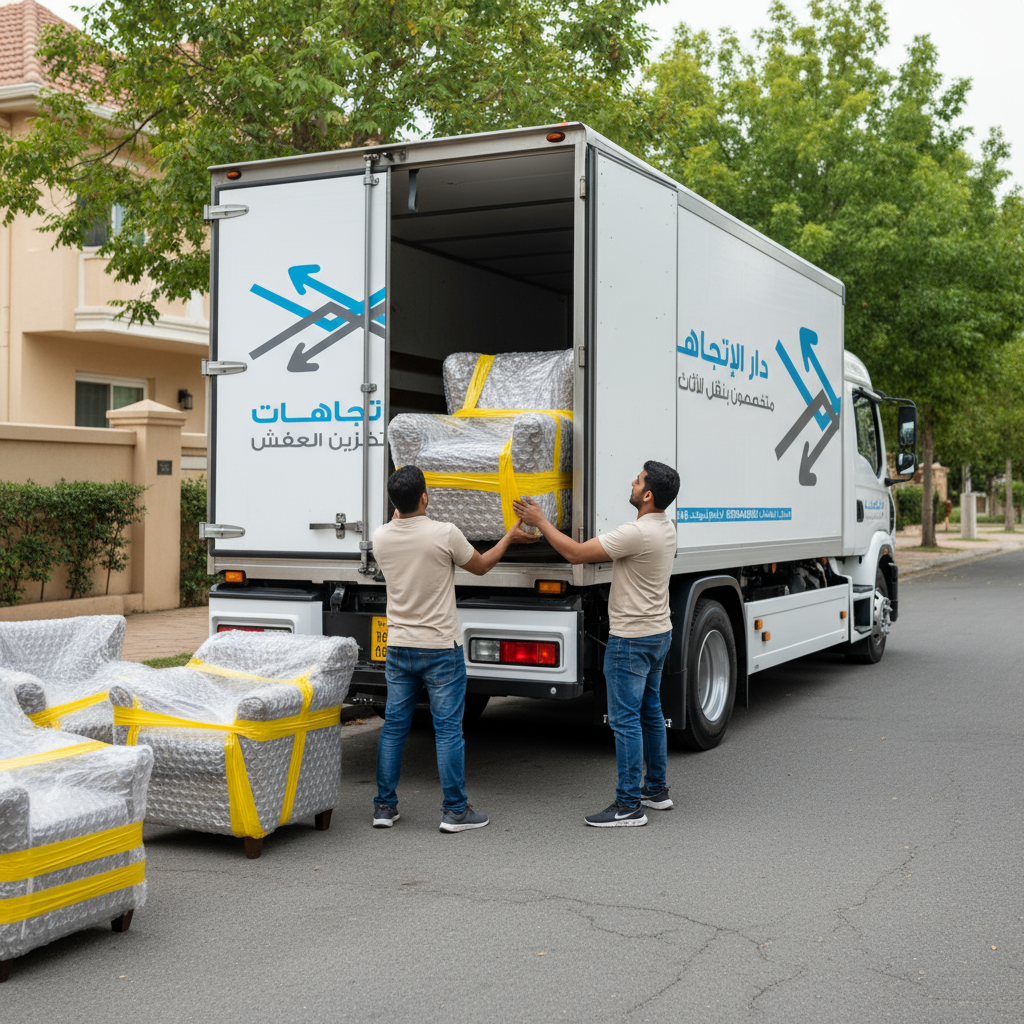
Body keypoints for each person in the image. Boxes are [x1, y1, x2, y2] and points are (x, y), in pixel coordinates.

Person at [514, 460, 680, 827]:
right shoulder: (665, 527)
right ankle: (655, 790)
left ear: (648, 495)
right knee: (650, 712)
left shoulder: (635, 533)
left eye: (637, 482)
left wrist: (541, 522)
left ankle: (627, 805)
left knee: (624, 721)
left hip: (632, 640)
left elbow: (574, 553)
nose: (632, 484)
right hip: (658, 633)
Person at [372, 465, 535, 833]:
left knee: (394, 727)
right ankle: (455, 811)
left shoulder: (381, 537)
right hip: (440, 648)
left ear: (393, 503)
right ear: (425, 497)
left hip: (399, 647)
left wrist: (402, 507)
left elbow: (400, 519)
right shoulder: (444, 534)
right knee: (447, 730)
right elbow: (481, 567)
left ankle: (384, 807)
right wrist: (508, 537)